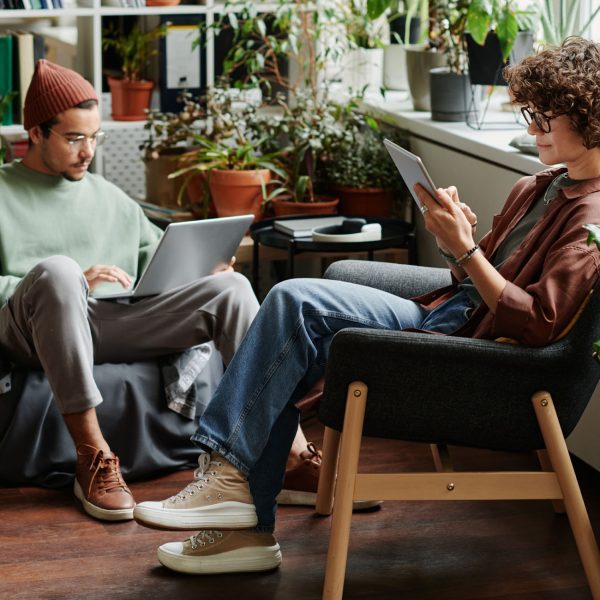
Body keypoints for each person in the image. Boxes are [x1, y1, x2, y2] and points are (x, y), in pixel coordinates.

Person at [132, 36, 600, 574]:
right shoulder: (538, 185)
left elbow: (537, 322)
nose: (531, 126)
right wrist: (457, 240)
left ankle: (233, 495)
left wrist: (466, 248)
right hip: (451, 315)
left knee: (294, 303)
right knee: (296, 322)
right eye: (528, 112)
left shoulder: (592, 219)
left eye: (544, 115)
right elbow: (475, 276)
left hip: (476, 356)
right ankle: (242, 517)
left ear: (588, 117)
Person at [0, 59, 322, 522]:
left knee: (229, 288)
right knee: (59, 272)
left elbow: (157, 264)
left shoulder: (108, 196)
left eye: (95, 137)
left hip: (104, 323)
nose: (88, 151)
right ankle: (92, 457)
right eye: (74, 138)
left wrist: (201, 272)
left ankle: (291, 457)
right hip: (29, 324)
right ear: (35, 133)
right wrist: (73, 282)